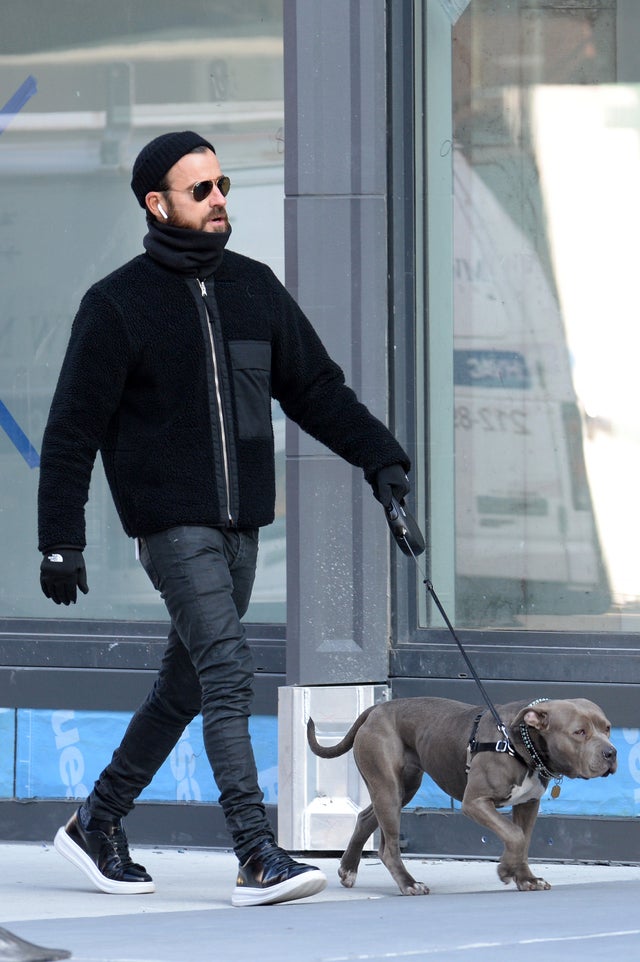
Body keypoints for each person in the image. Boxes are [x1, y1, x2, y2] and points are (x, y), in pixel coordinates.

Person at [37, 130, 411, 907]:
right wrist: (60, 542)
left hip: (242, 523)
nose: (218, 201)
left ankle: (96, 820)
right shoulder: (117, 304)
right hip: (170, 524)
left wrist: (381, 459)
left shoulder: (253, 287)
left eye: (223, 186)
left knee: (185, 687)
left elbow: (315, 390)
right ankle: (254, 850)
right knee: (230, 670)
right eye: (200, 189)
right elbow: (73, 428)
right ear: (157, 202)